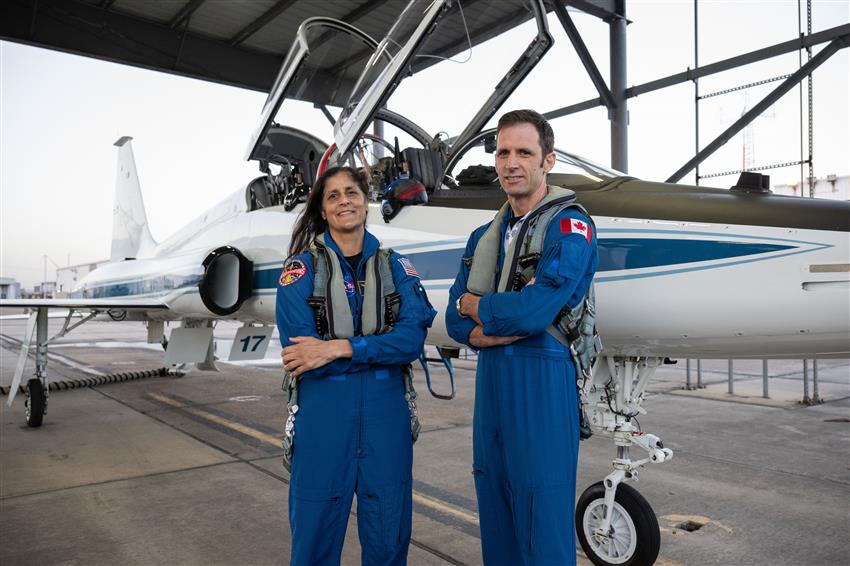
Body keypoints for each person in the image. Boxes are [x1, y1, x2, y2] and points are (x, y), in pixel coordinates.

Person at [446, 109, 599, 565]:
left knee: (541, 512)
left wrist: (481, 310)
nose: (511, 162)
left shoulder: (570, 226)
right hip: (493, 377)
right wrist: (479, 329)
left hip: (543, 376)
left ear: (547, 161)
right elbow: (453, 321)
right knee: (495, 505)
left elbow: (536, 311)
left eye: (524, 152)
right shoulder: (482, 237)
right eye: (503, 152)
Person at [276, 166, 436, 566]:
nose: (344, 200)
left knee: (388, 541)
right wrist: (376, 350)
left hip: (387, 418)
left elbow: (411, 341)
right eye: (333, 196)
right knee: (313, 542)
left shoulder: (396, 266)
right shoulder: (300, 271)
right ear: (324, 210)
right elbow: (301, 354)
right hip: (323, 418)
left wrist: (338, 349)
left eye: (352, 192)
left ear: (365, 202)